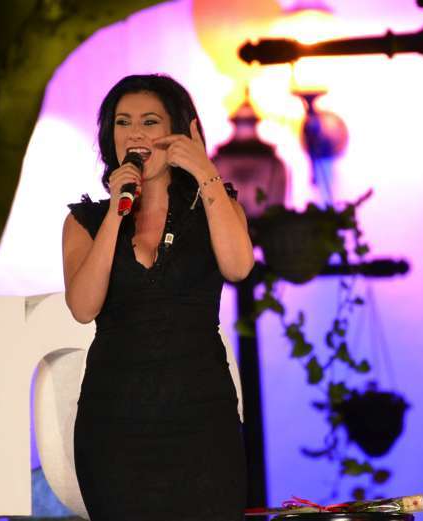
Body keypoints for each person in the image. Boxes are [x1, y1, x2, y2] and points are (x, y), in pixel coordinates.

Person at [62, 73, 254, 521]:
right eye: (123, 122)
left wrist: (205, 172)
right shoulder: (86, 221)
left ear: (179, 133)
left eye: (150, 122)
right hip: (115, 426)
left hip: (202, 421)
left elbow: (239, 267)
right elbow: (83, 307)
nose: (135, 134)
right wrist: (116, 211)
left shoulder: (215, 207)